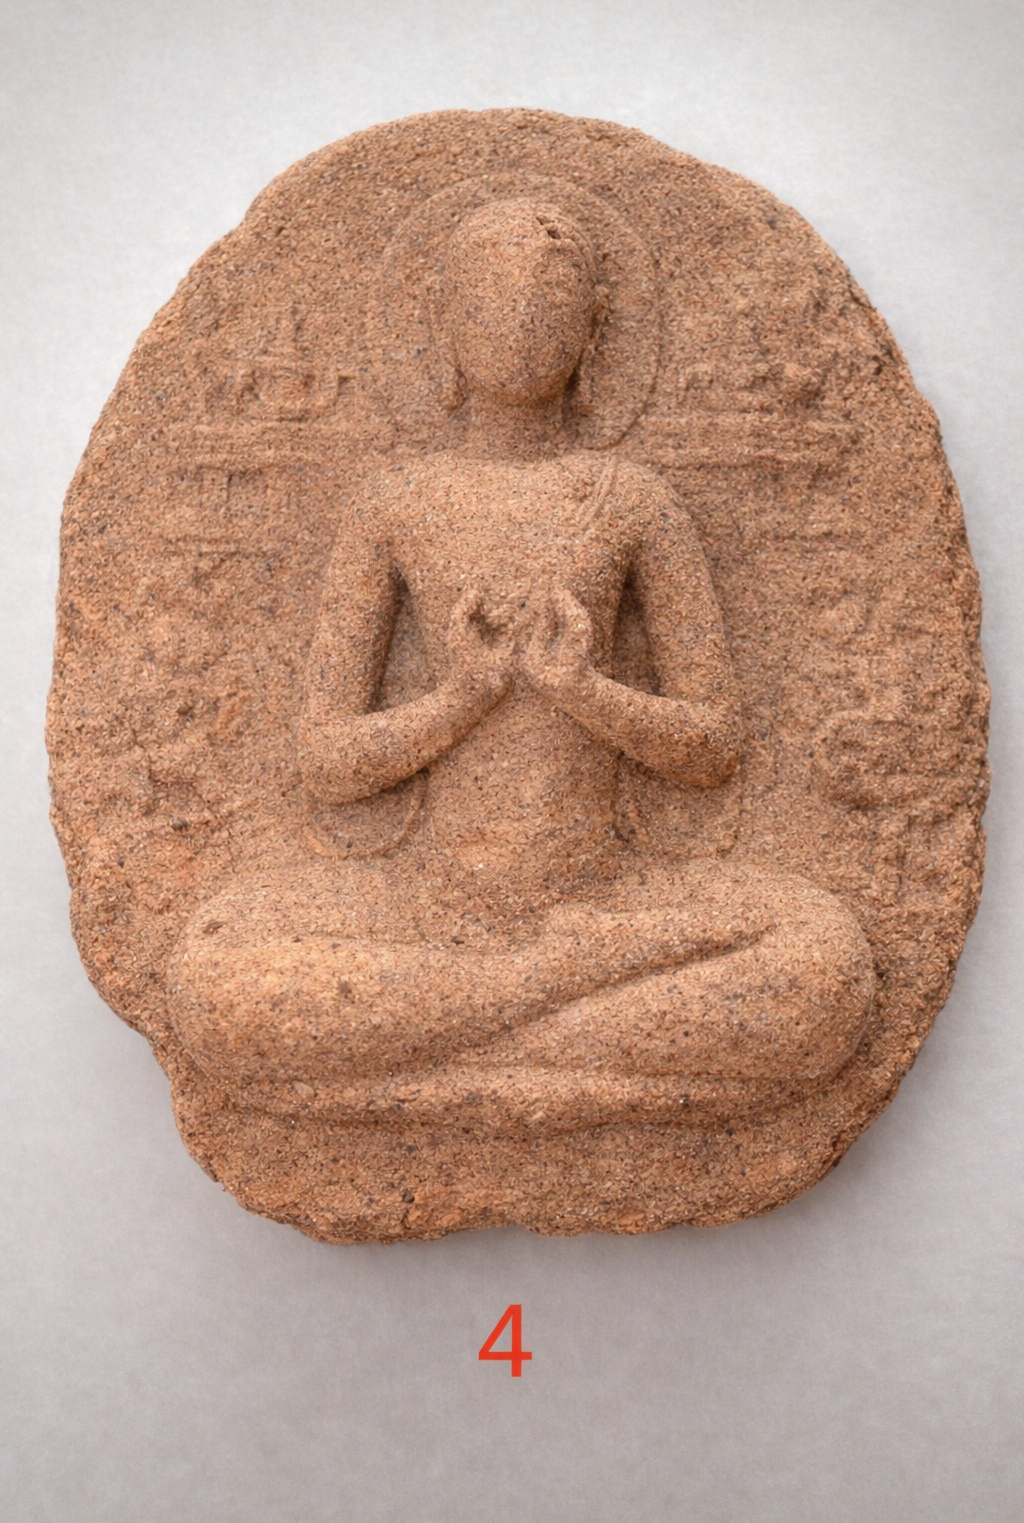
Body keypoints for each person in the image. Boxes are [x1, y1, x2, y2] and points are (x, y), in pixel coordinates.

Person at [167, 199, 872, 1121]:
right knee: (211, 979)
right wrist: (461, 697)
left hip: (610, 892)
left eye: (554, 294)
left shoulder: (634, 500)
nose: (523, 315)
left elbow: (711, 747)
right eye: (489, 293)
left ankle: (435, 1053)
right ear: (442, 321)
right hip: (427, 902)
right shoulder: (397, 501)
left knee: (824, 966)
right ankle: (565, 1012)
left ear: (596, 326)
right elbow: (327, 763)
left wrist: (585, 691)